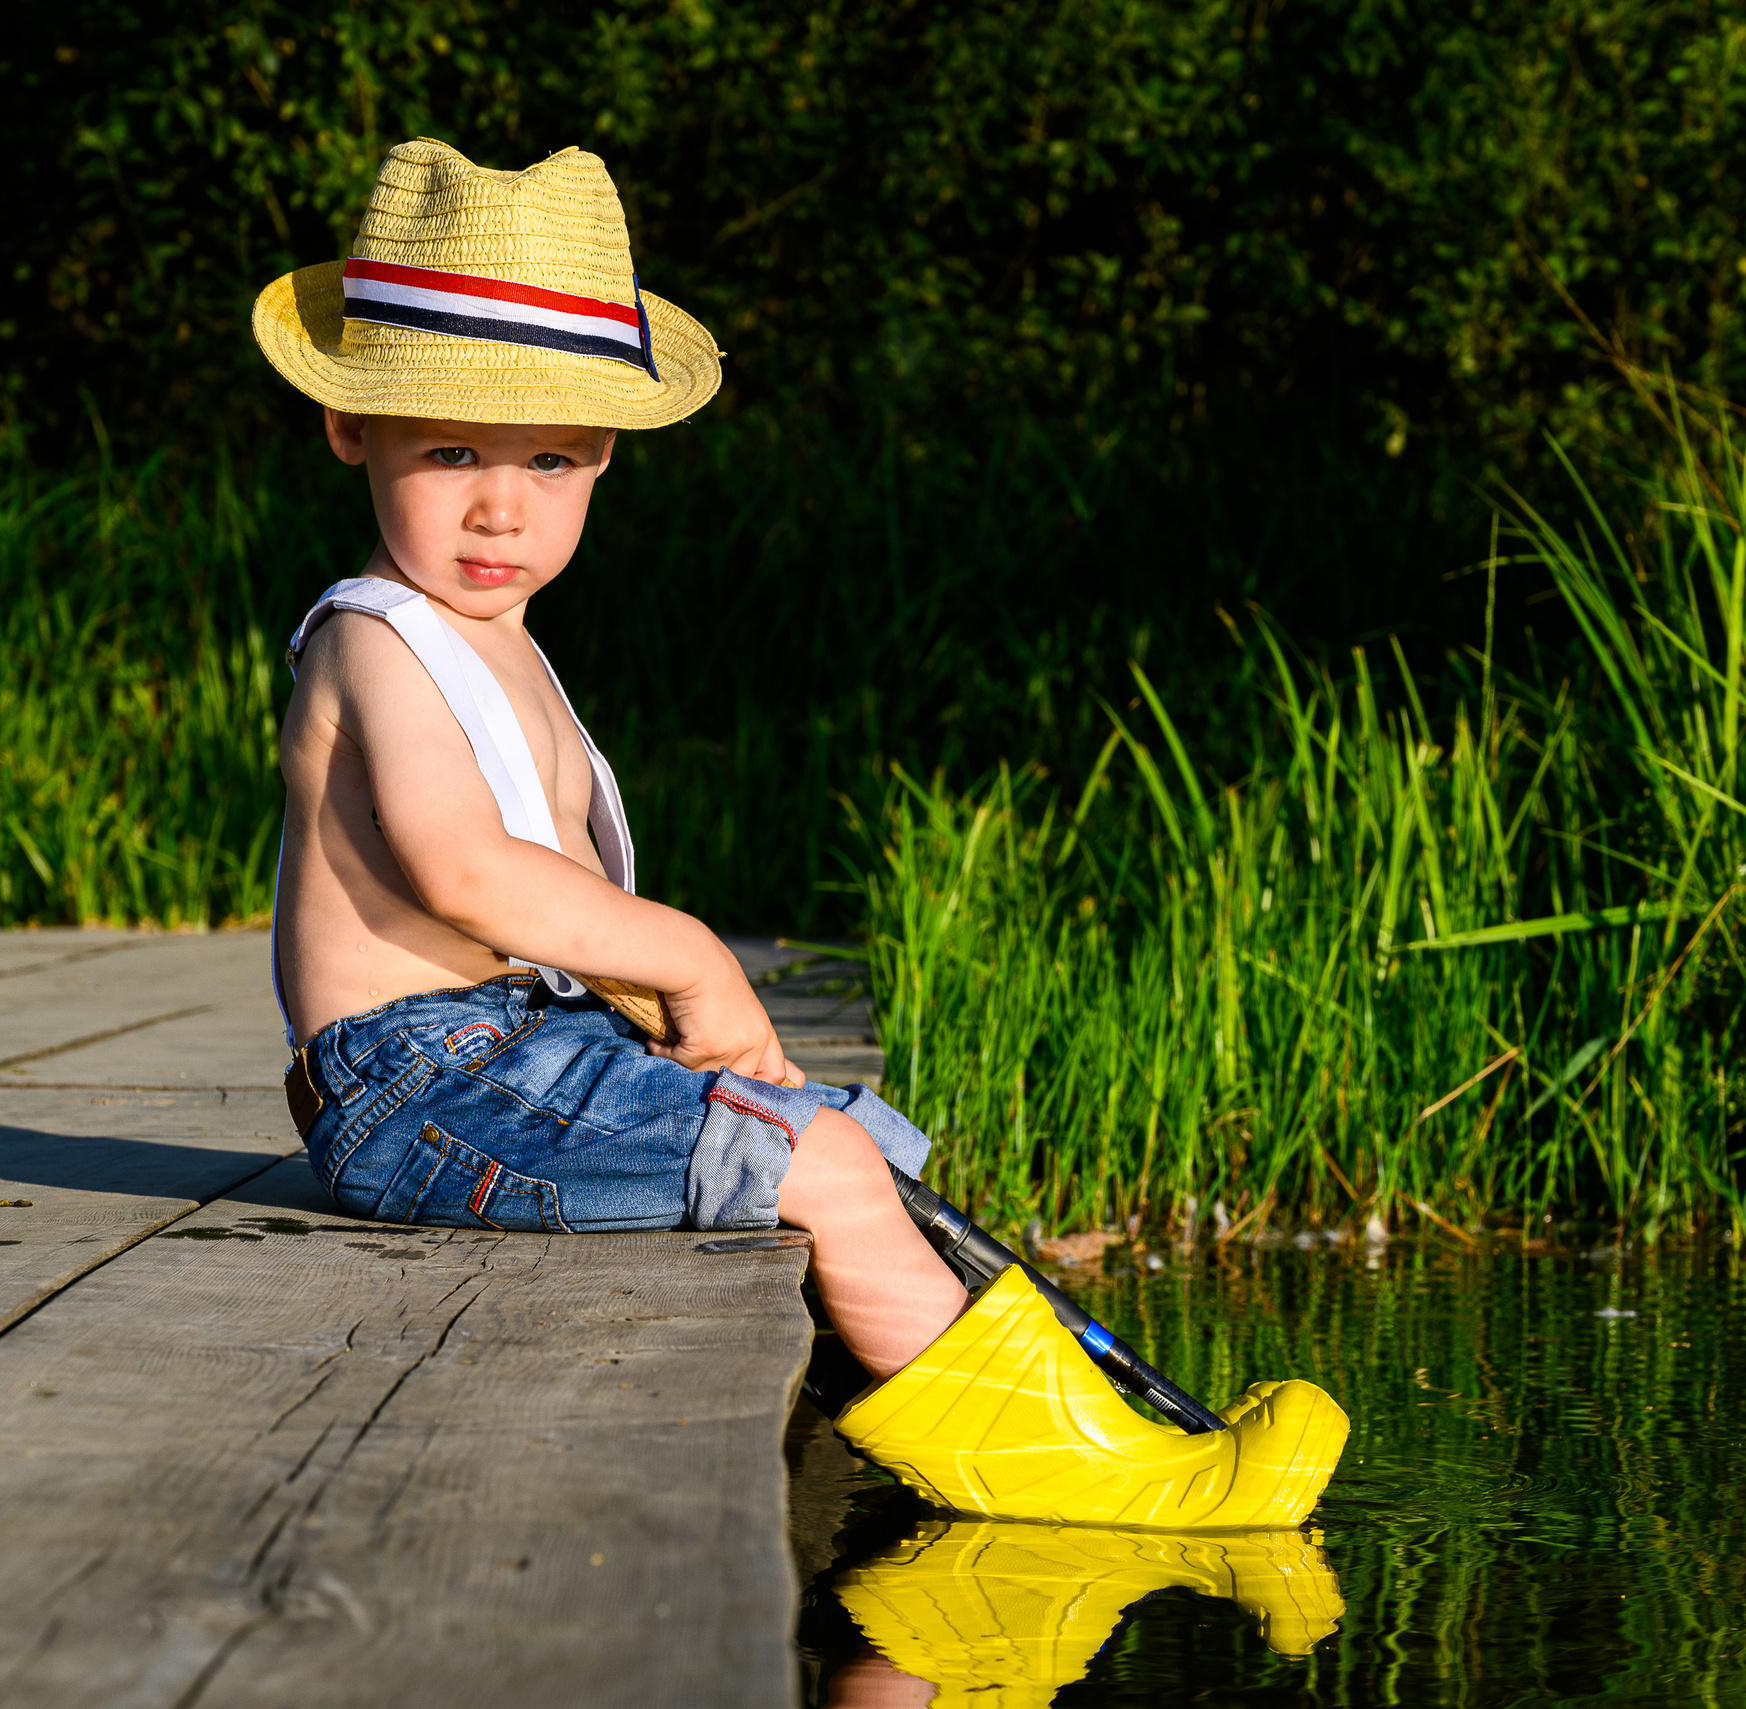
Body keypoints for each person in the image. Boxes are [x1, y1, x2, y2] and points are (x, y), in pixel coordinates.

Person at [251, 137, 1345, 1529]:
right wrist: (699, 964)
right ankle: (1078, 1484)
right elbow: (462, 869)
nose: (498, 504)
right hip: (417, 1091)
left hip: (510, 1058)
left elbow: (559, 903)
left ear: (606, 458)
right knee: (807, 1163)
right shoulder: (376, 642)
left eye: (549, 459)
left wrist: (674, 1026)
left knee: (831, 1138)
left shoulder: (497, 645)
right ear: (354, 429)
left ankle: (1085, 1435)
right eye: (451, 449)